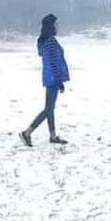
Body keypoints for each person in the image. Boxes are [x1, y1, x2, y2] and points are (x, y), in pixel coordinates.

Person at [20, 13, 70, 146]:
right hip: (53, 79)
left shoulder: (45, 41)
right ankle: (27, 132)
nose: (57, 27)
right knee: (48, 109)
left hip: (49, 78)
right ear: (51, 26)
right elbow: (53, 63)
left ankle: (53, 136)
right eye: (55, 25)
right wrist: (59, 81)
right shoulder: (51, 42)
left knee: (50, 108)